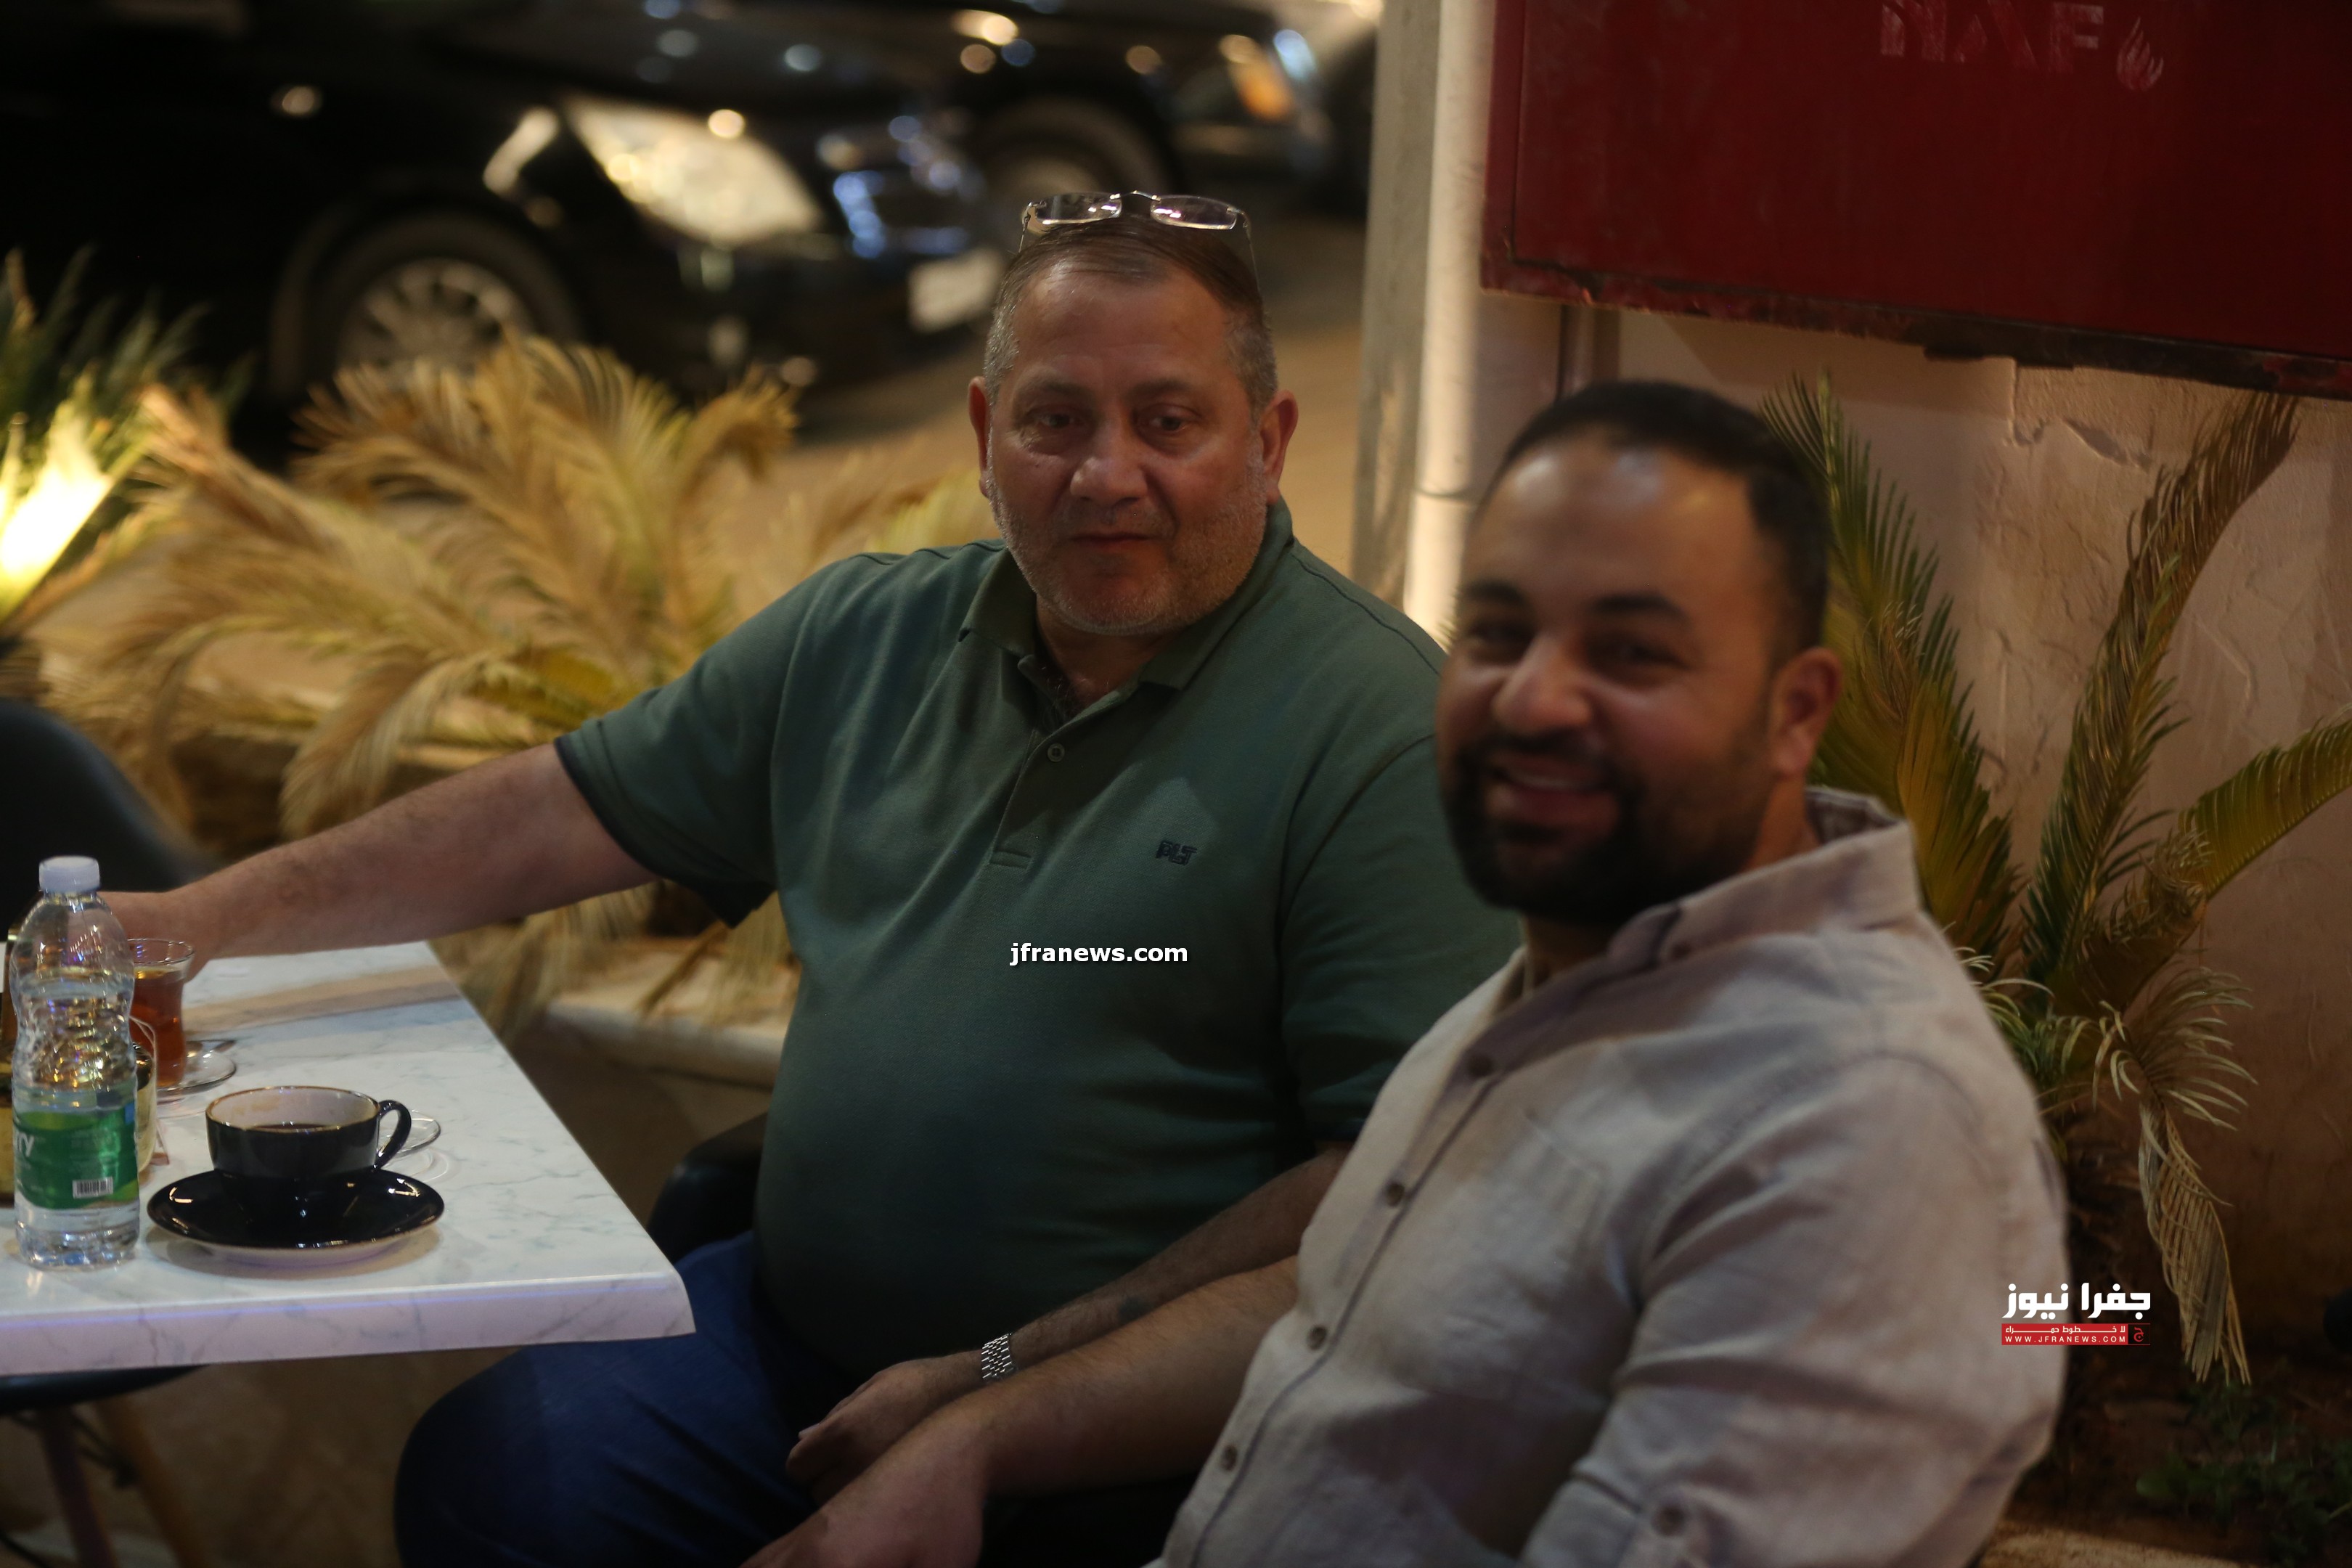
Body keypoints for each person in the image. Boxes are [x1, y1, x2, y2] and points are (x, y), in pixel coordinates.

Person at [110, 194, 1516, 1566]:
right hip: (793, 1346)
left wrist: (993, 1389)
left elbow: (1383, 1205)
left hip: (1132, 1429)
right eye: (1055, 420)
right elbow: (547, 814)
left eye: (1168, 422)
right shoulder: (865, 637)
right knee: (496, 1483)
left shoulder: (1381, 735)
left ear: (1267, 439)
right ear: (986, 434)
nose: (1105, 475)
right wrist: (190, 923)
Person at [750, 380, 2070, 1568]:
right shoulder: (1578, 971)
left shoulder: (1861, 1125)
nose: (1534, 700)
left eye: (1633, 653)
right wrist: (980, 1418)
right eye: (1498, 633)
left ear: (1796, 713)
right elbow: (1348, 1320)